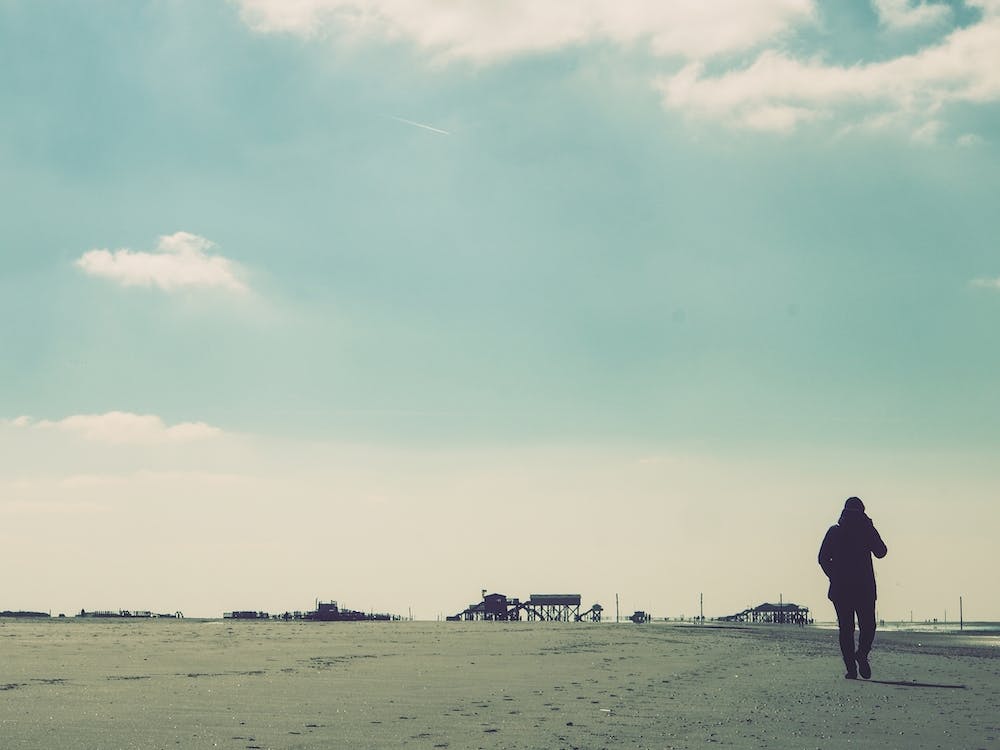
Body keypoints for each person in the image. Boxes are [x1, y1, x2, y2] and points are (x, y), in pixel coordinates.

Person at [818, 496, 887, 679]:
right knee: (863, 626)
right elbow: (881, 552)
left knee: (850, 629)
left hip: (849, 589)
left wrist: (834, 576)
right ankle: (857, 660)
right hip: (859, 588)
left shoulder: (848, 531)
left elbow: (881, 552)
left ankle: (855, 663)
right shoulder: (839, 531)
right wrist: (835, 576)